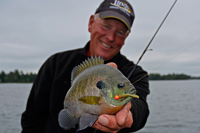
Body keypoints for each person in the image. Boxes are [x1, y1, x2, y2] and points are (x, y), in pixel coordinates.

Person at [21, 0, 150, 133]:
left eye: (120, 32)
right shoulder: (55, 64)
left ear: (126, 37)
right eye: (106, 26)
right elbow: (32, 119)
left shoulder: (136, 74)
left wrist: (129, 111)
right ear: (91, 23)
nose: (110, 37)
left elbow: (140, 108)